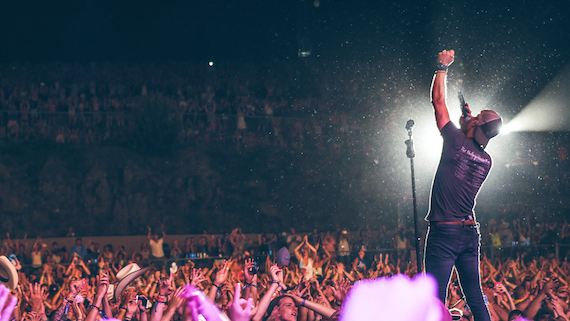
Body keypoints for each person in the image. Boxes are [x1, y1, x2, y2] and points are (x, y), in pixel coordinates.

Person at [424, 49, 502, 321]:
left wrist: (441, 67)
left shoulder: (456, 142)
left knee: (434, 298)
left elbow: (437, 102)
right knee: (475, 297)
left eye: (477, 115)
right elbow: (474, 137)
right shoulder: (486, 159)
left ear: (477, 125)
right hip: (469, 234)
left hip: (445, 232)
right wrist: (471, 121)